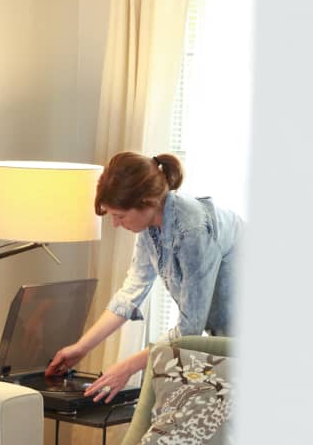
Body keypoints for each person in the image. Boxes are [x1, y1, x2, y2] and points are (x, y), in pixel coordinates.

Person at [45, 151, 242, 402]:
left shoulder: (192, 231)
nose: (116, 224)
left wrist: (127, 367)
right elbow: (131, 292)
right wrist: (81, 347)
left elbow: (189, 328)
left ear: (147, 202)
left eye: (119, 215)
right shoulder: (150, 227)